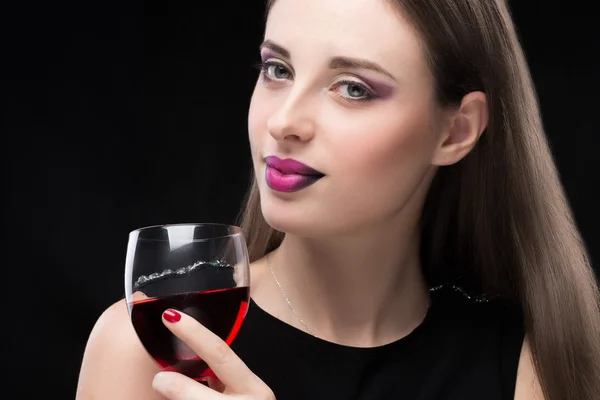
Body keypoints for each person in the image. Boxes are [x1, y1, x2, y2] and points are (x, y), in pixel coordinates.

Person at [76, 0, 600, 399]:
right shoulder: (148, 348)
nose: (284, 122)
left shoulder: (524, 366)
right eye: (277, 70)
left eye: (352, 88)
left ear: (455, 132)